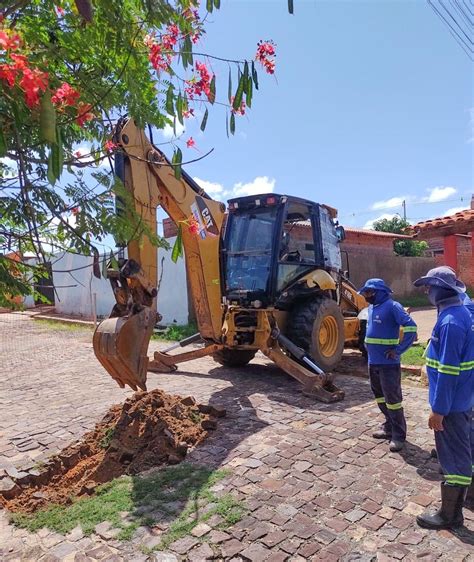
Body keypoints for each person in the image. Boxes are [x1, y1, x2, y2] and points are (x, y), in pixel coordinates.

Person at [413, 266, 474, 530]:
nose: (427, 291)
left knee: (454, 457)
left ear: (442, 289)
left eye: (430, 286)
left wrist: (438, 410)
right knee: (466, 449)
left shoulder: (451, 322)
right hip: (463, 400)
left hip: (451, 404)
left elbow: (449, 371)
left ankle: (450, 515)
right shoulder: (461, 314)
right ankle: (468, 495)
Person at [358, 278, 417, 452]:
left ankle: (399, 435)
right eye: (366, 292)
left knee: (393, 400)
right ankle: (389, 426)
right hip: (373, 362)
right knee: (380, 397)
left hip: (388, 365)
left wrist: (398, 350)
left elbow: (411, 328)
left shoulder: (393, 306)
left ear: (379, 292)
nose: (366, 295)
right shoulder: (371, 308)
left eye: (369, 292)